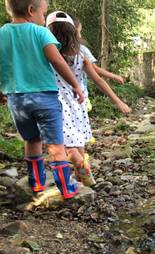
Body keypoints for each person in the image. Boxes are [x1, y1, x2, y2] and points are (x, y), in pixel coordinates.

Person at [0, 0, 84, 199]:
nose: (43, 18)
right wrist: (75, 84)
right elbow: (57, 60)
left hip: (17, 100)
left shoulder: (2, 34)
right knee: (55, 143)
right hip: (45, 96)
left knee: (32, 139)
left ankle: (36, 183)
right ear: (31, 10)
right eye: (44, 13)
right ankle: (66, 187)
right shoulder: (40, 32)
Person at [47, 11, 130, 187]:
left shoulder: (48, 51)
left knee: (64, 143)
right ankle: (82, 173)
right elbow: (98, 79)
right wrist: (117, 101)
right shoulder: (81, 52)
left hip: (55, 102)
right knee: (78, 139)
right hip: (78, 101)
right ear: (73, 31)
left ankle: (78, 167)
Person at [72, 16, 125, 116]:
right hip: (79, 95)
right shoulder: (81, 50)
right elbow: (95, 70)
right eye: (79, 31)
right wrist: (114, 76)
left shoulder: (52, 49)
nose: (80, 35)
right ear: (74, 32)